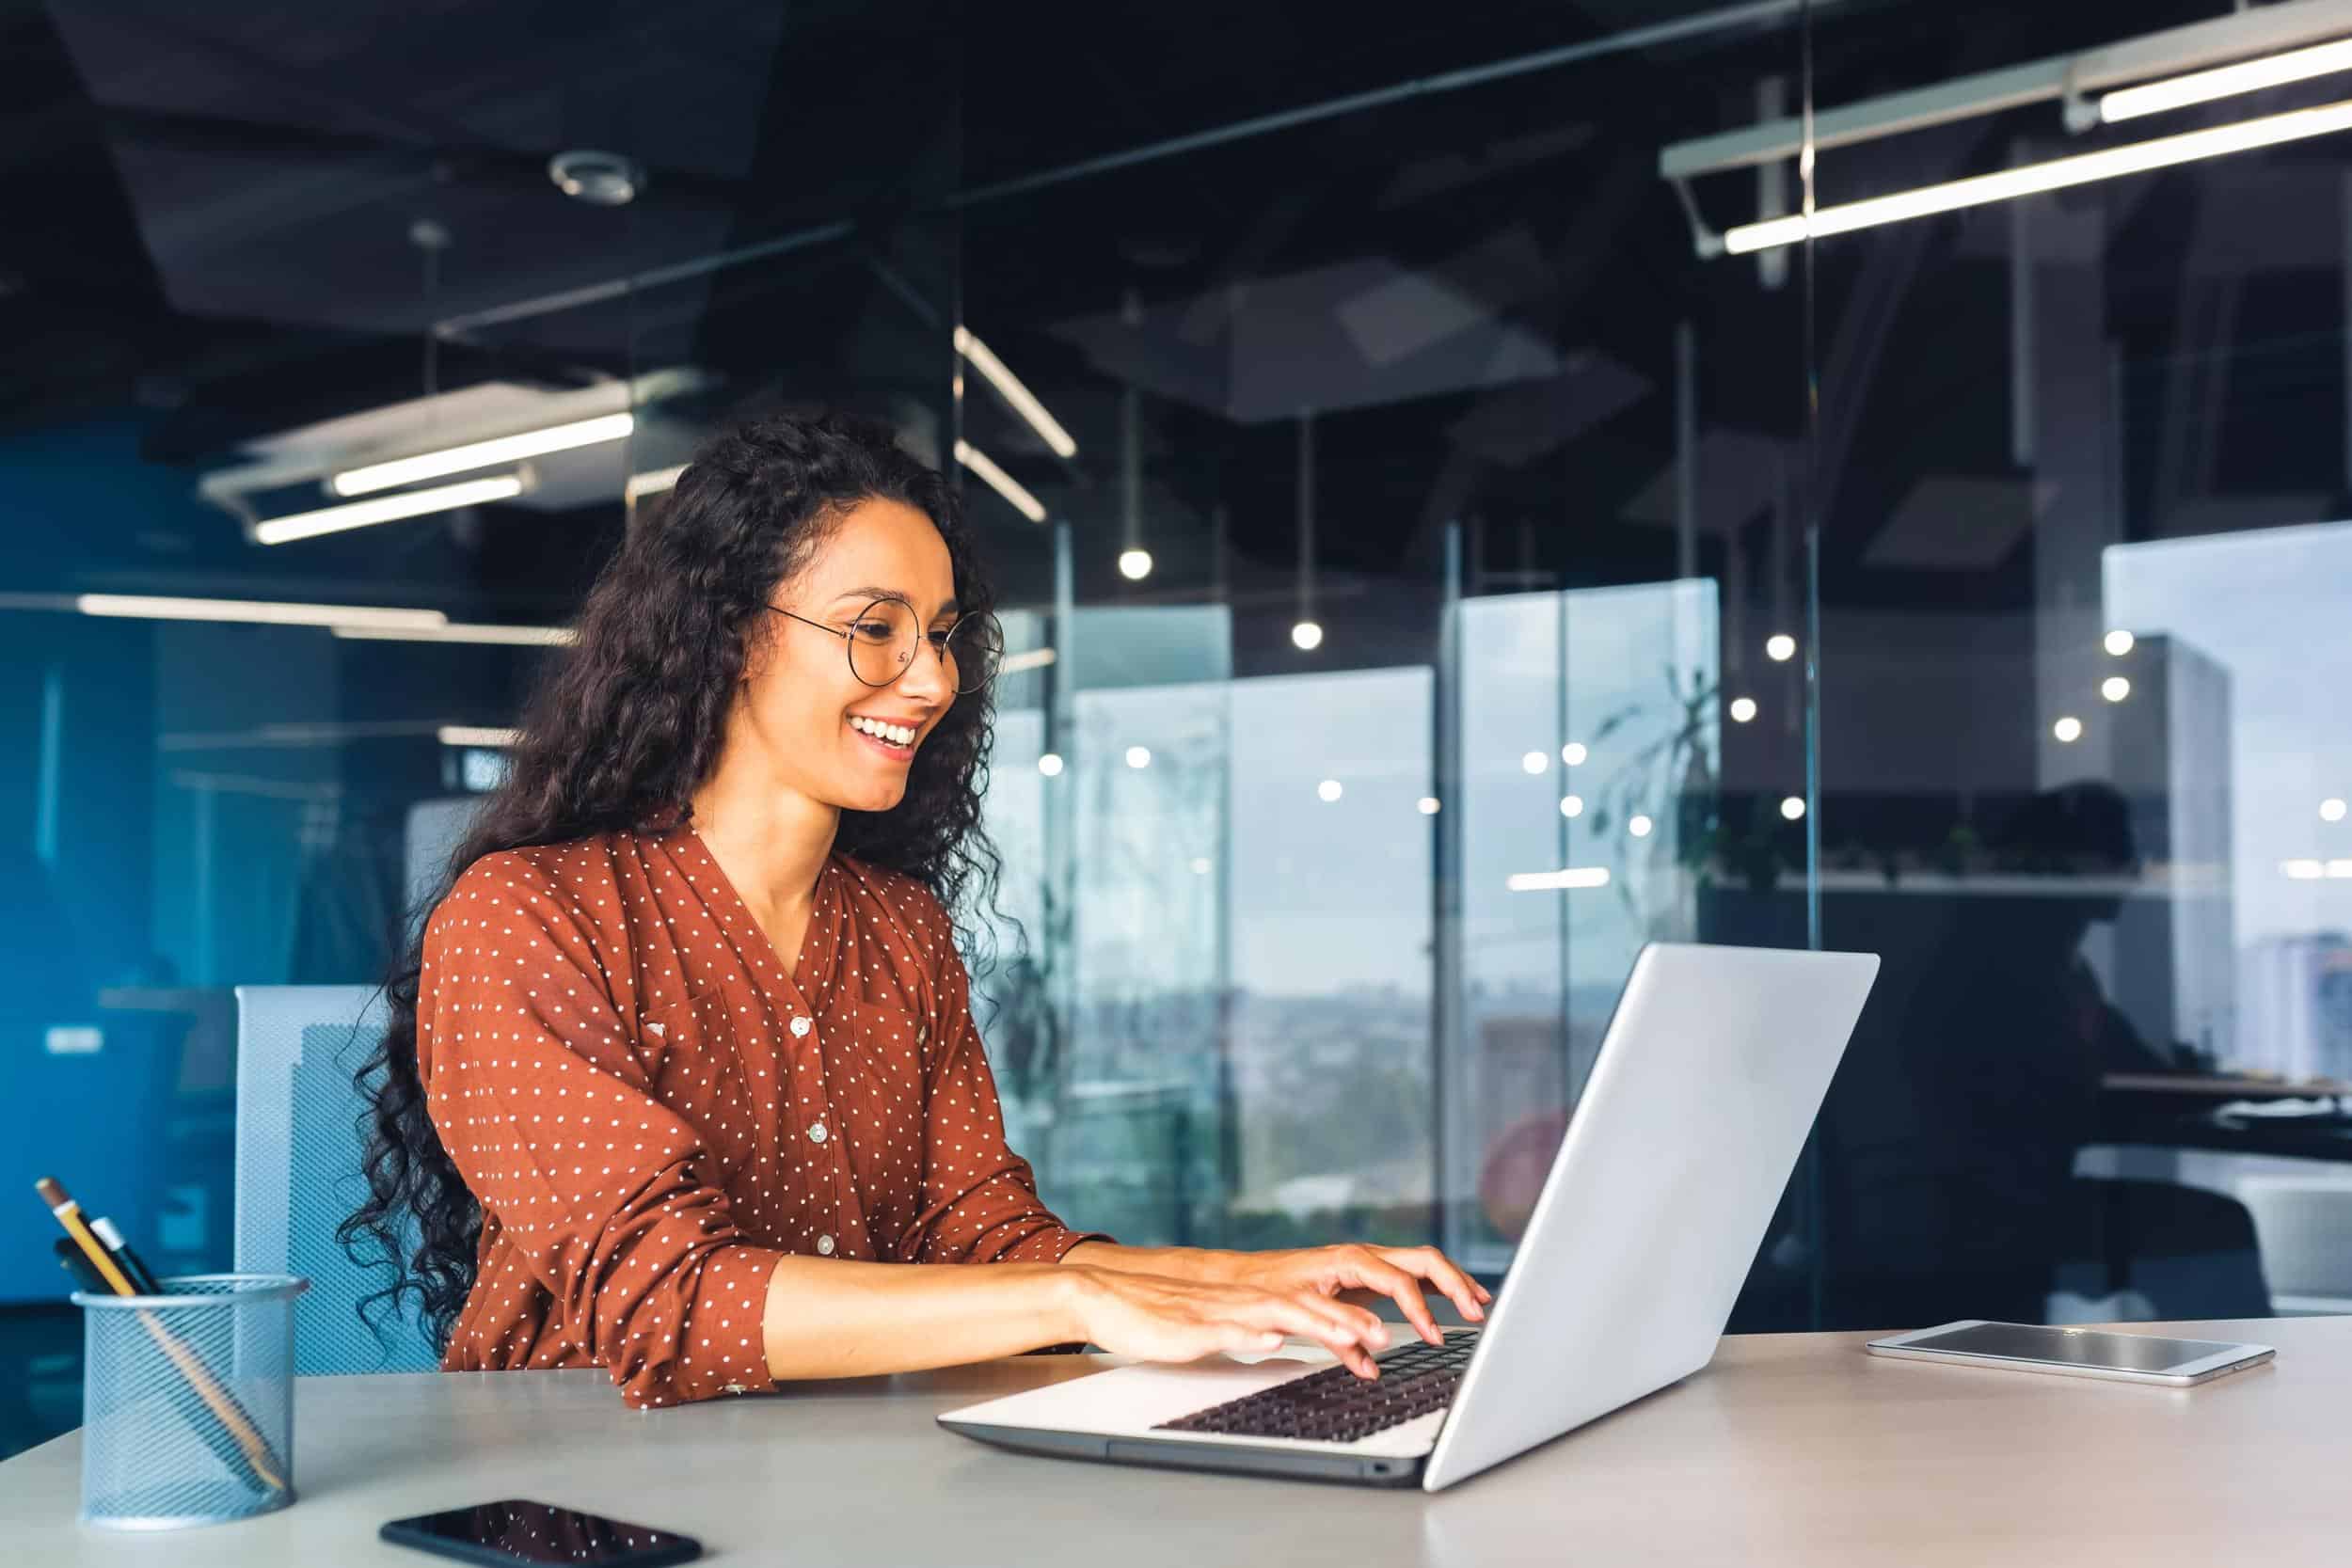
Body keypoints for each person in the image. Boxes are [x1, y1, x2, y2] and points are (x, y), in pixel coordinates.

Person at [345, 411, 1487, 1409]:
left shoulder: (898, 931)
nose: (934, 678)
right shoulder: (528, 917)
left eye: (939, 633)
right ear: (733, 631)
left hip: (849, 1468)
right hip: (578, 1499)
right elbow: (670, 1298)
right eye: (875, 627)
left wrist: (1244, 1281)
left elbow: (985, 1238)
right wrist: (1083, 1294)